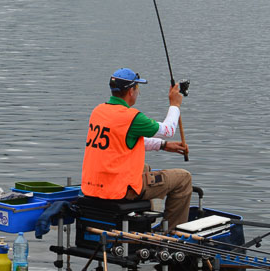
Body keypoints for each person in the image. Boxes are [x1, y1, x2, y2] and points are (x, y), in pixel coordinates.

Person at [81, 68, 193, 231]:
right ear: (131, 91)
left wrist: (163, 145)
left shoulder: (99, 111)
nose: (138, 93)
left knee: (144, 167)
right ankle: (172, 235)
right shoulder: (131, 117)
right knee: (183, 178)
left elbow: (123, 139)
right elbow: (168, 130)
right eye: (137, 89)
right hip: (119, 190)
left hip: (93, 186)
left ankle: (141, 225)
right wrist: (174, 104)